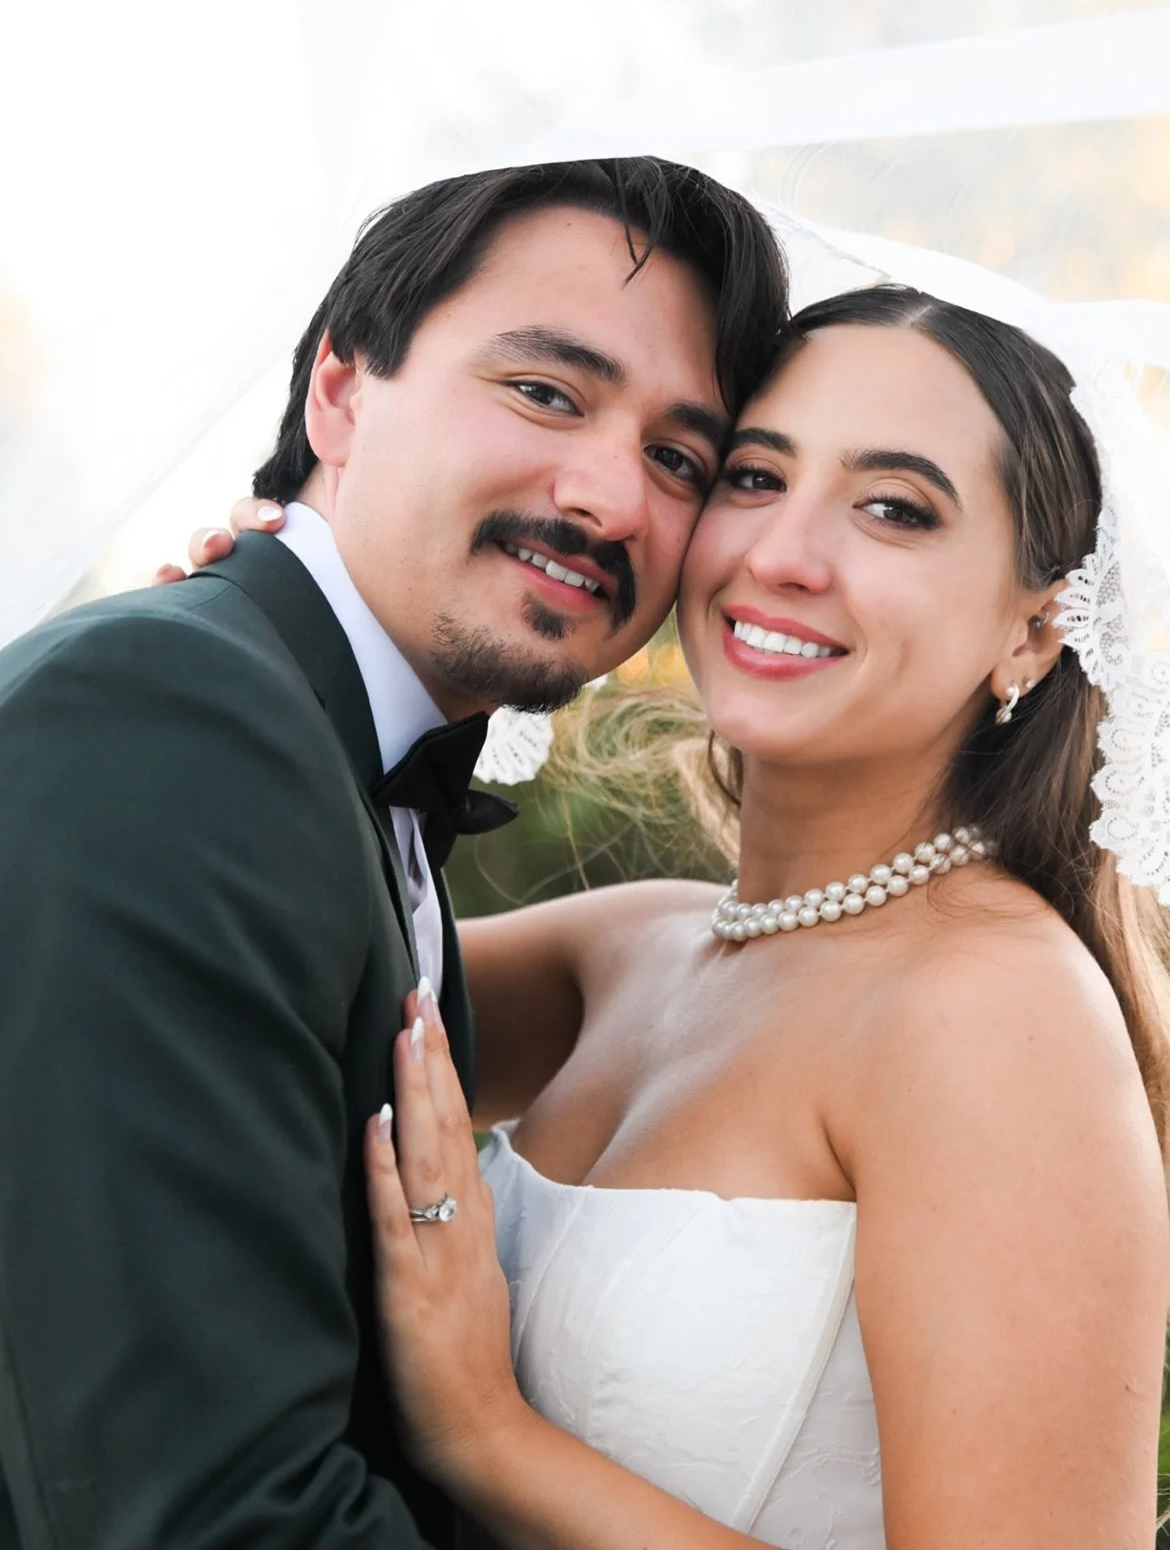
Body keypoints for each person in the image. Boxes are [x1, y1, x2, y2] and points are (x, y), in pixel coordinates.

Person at [192, 287, 1170, 1548]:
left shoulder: (994, 1014)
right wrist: (248, 649)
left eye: (894, 508)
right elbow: (236, 982)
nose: (782, 555)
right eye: (754, 477)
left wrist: (486, 1429)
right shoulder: (633, 949)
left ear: (1036, 628)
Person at [0, 158, 788, 1550]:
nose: (611, 500)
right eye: (546, 392)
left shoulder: (322, 762)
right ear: (339, 395)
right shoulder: (176, 721)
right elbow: (210, 1516)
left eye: (679, 459)